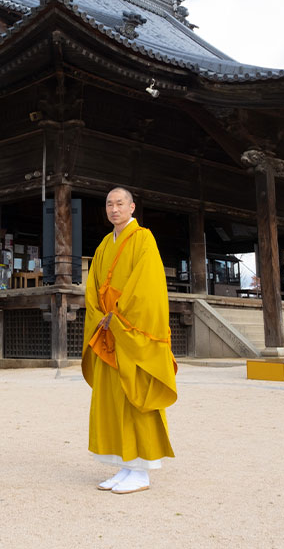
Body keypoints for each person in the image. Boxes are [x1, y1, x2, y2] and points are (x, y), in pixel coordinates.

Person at [82, 187, 177, 494]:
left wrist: (119, 317)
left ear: (132, 207)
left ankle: (142, 470)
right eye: (109, 204)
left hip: (131, 330)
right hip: (108, 331)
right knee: (114, 399)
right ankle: (126, 465)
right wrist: (100, 317)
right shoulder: (103, 245)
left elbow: (146, 287)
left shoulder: (144, 239)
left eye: (120, 203)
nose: (114, 209)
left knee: (137, 396)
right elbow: (93, 287)